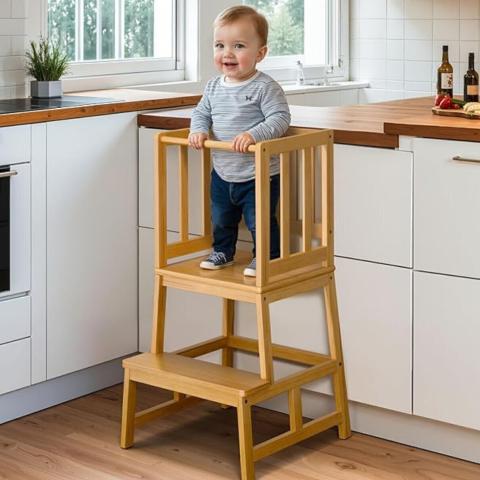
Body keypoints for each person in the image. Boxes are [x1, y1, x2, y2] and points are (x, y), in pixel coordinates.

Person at [188, 5, 291, 277]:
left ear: (260, 54)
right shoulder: (213, 86)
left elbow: (280, 118)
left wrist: (253, 134)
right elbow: (201, 113)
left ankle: (268, 256)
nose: (227, 53)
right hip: (223, 170)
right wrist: (198, 130)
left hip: (259, 173)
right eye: (220, 45)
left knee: (260, 220)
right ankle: (223, 251)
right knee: (221, 217)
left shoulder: (265, 86)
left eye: (239, 46)